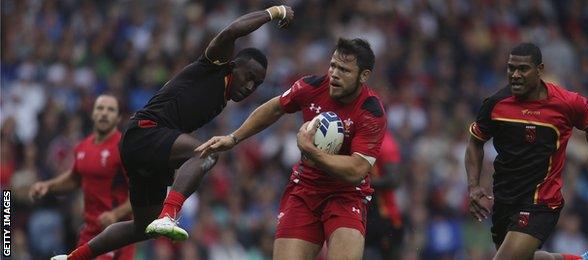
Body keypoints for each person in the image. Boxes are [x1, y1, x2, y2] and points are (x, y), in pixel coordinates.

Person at [51, 5, 294, 260]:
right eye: (249, 76)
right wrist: (275, 11)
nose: (250, 86)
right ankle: (170, 214)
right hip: (145, 133)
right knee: (208, 152)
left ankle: (72, 258)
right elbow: (232, 30)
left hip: (147, 147)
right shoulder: (215, 64)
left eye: (257, 83)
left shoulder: (223, 96)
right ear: (234, 65)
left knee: (143, 227)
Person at [197, 38, 387, 260]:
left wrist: (311, 150)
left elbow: (356, 170)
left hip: (346, 195)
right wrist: (234, 138)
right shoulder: (312, 87)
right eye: (333, 65)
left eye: (344, 70)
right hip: (305, 190)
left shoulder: (371, 112)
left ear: (363, 76)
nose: (334, 73)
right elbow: (276, 107)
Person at [465, 43, 588, 260]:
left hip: (541, 201)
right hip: (505, 198)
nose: (515, 75)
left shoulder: (567, 103)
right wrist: (473, 185)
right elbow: (475, 142)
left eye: (523, 69)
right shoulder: (496, 105)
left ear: (539, 69)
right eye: (511, 68)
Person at [30, 94, 134, 260]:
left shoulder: (124, 148)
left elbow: (138, 195)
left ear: (118, 117)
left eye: (111, 110)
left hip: (116, 234)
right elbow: (75, 178)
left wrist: (115, 214)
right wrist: (48, 186)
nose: (104, 113)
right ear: (93, 113)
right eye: (100, 108)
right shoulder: (82, 146)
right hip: (89, 233)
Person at [364, 131, 404, 260]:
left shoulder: (385, 143)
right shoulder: (362, 136)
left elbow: (395, 179)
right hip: (366, 211)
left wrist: (363, 182)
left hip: (384, 215)